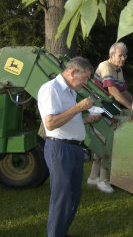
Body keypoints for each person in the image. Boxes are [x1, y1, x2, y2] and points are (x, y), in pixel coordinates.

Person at [37, 56, 101, 237]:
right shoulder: (51, 89)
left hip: (73, 149)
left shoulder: (70, 91)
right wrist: (79, 107)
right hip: (60, 149)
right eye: (85, 77)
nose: (86, 82)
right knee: (62, 198)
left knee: (73, 197)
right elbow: (50, 123)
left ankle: (61, 232)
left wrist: (86, 119)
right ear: (73, 72)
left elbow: (65, 120)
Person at [89, 42, 133, 193]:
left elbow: (124, 90)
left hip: (108, 108)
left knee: (102, 141)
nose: (123, 58)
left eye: (125, 56)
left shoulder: (118, 69)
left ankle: (93, 177)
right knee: (106, 142)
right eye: (120, 55)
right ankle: (102, 179)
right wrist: (130, 107)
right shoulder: (105, 66)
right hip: (100, 109)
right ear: (111, 55)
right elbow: (113, 90)